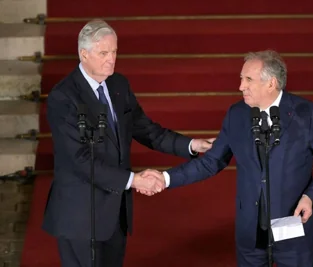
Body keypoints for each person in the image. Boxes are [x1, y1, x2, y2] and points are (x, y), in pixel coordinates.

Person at [141, 50, 313, 266]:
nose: (241, 86)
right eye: (241, 79)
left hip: (293, 228)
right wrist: (165, 178)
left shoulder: (306, 113)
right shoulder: (236, 114)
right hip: (251, 233)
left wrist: (310, 197)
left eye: (248, 79)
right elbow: (210, 162)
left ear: (271, 83)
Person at [42, 19, 215, 267]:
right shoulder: (64, 96)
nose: (111, 59)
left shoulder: (118, 84)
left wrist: (191, 145)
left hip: (115, 213)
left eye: (114, 52)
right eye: (104, 53)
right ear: (84, 54)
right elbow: (79, 159)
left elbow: (147, 130)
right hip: (80, 215)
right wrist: (134, 180)